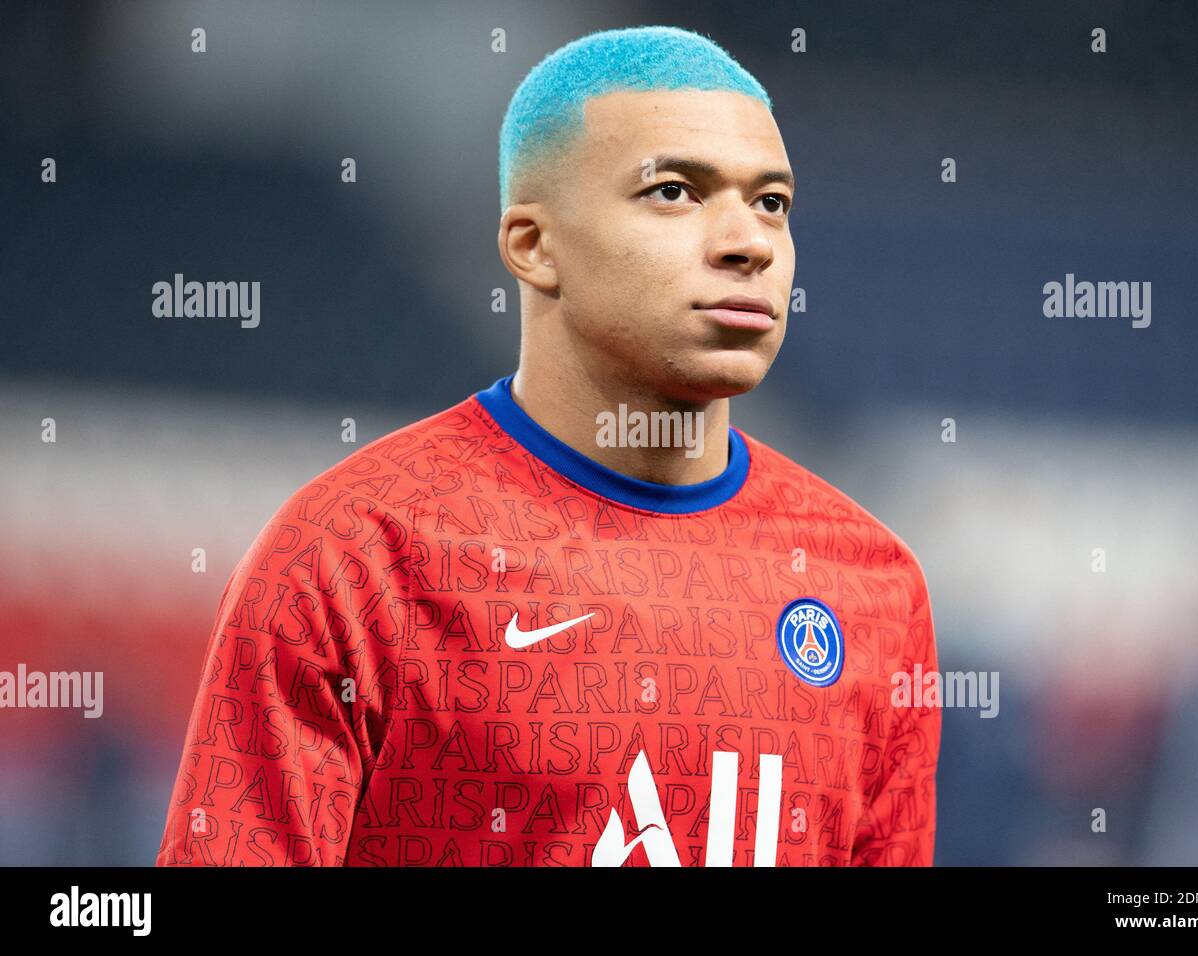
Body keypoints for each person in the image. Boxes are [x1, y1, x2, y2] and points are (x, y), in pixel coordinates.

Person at [156, 24, 940, 867]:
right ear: (534, 246)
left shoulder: (872, 589)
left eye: (771, 203)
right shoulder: (355, 560)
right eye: (675, 192)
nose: (748, 243)